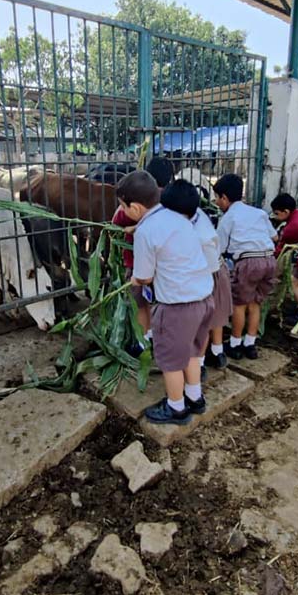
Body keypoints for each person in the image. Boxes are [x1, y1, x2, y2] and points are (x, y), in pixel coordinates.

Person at [117, 170, 214, 425]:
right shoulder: (178, 218)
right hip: (204, 299)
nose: (123, 211)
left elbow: (145, 276)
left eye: (123, 206)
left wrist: (134, 279)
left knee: (170, 361)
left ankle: (177, 408)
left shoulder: (145, 232)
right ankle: (195, 398)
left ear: (135, 207)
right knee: (192, 353)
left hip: (177, 307)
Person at [161, 179, 232, 378]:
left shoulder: (201, 235)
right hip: (208, 272)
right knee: (214, 318)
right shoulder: (194, 213)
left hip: (210, 276)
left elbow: (207, 267)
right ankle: (216, 353)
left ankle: (200, 363)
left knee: (204, 324)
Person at [112, 157, 174, 351]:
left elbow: (115, 222)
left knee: (140, 304)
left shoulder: (130, 211)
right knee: (159, 303)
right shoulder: (172, 202)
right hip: (164, 267)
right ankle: (156, 336)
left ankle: (142, 340)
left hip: (138, 266)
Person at [214, 173, 277, 360]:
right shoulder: (259, 213)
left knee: (239, 305)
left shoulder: (228, 218)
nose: (217, 202)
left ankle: (235, 344)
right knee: (255, 302)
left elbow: (220, 247)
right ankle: (251, 343)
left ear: (224, 197)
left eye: (217, 198)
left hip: (248, 262)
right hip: (268, 260)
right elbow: (274, 237)